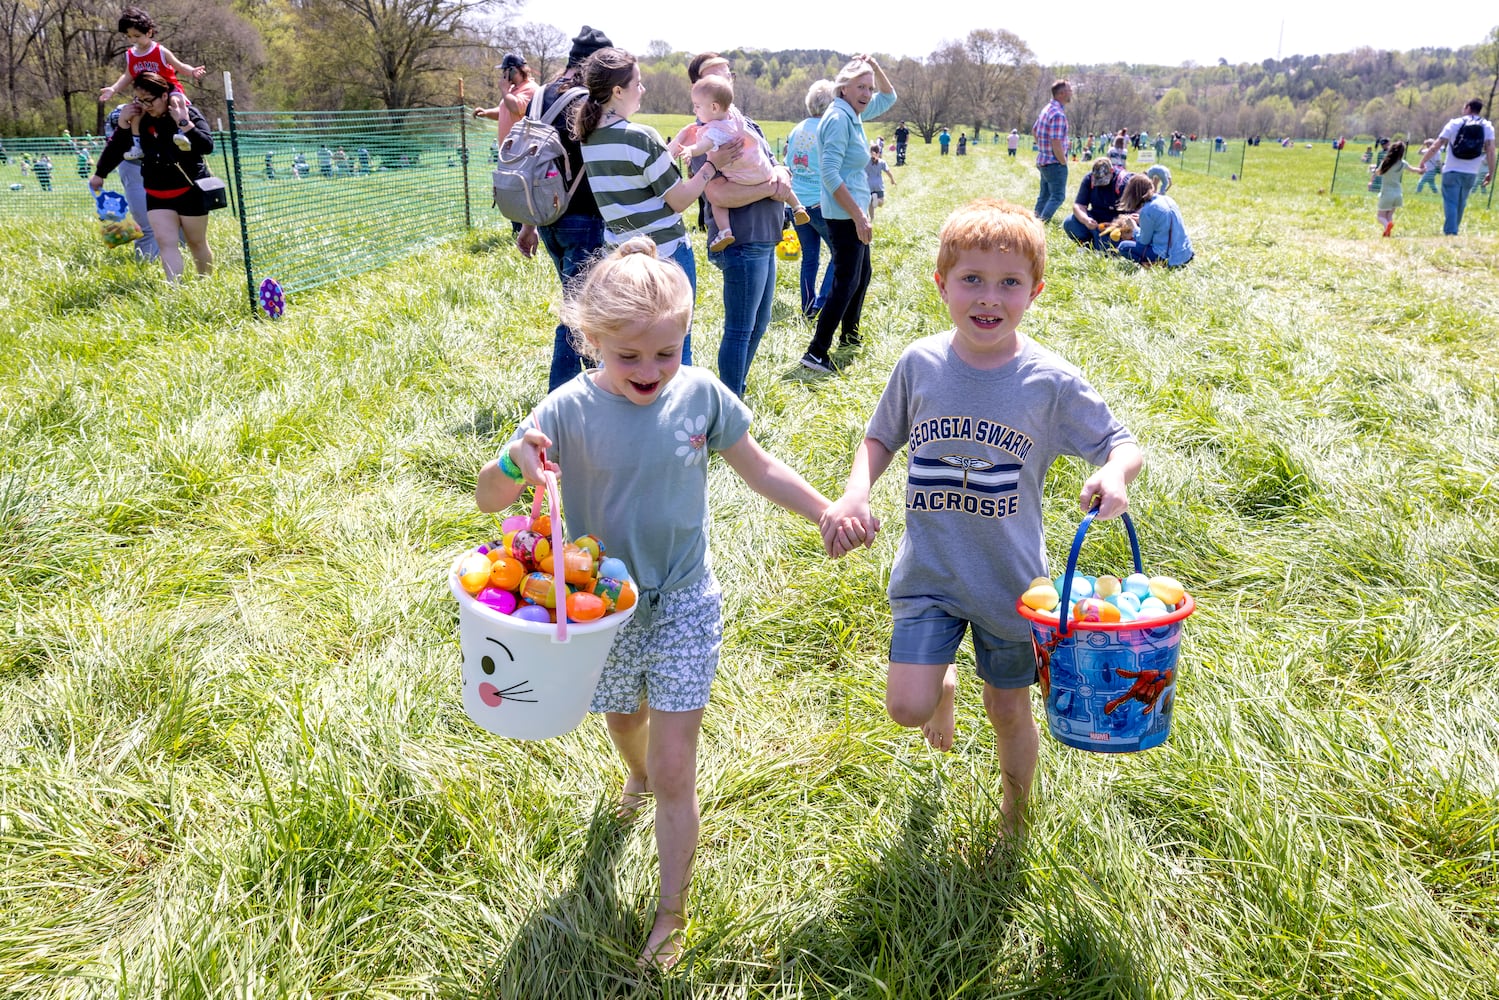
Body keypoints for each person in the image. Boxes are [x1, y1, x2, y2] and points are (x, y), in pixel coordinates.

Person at [476, 237, 853, 968]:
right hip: (600, 612)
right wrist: (512, 461)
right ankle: (636, 771)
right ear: (589, 341)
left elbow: (760, 467)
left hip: (683, 601)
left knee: (678, 767)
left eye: (666, 352)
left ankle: (670, 912)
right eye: (629, 357)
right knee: (624, 719)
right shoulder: (564, 409)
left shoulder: (701, 394)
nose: (650, 371)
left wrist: (825, 511)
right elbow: (490, 494)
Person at [820, 198, 1141, 836]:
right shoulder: (920, 363)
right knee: (906, 706)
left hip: (1012, 585)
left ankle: (1014, 820)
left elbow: (1121, 442)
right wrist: (856, 492)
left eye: (1008, 283)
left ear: (1035, 291)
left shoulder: (1049, 380)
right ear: (942, 283)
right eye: (971, 279)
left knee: (1008, 708)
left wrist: (1113, 473)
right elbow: (881, 436)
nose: (988, 297)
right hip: (931, 573)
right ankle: (941, 689)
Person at [571, 46, 725, 368]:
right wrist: (712, 164)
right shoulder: (641, 136)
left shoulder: (590, 136)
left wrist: (669, 149)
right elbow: (680, 199)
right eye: (637, 83)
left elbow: (634, 178)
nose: (642, 89)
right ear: (617, 90)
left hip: (621, 256)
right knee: (676, 346)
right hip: (664, 255)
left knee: (632, 344)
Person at [684, 52, 792, 399]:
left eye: (726, 72)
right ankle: (728, 409)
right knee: (740, 330)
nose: (723, 78)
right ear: (698, 88)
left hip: (765, 235)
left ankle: (734, 395)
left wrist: (782, 174)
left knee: (759, 325)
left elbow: (776, 164)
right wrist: (769, 187)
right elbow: (717, 193)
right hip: (741, 240)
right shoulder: (706, 135)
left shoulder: (743, 124)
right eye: (712, 74)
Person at [517, 25, 614, 393]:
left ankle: (593, 383)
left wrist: (528, 226)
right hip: (584, 216)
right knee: (576, 313)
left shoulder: (541, 94)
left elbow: (532, 161)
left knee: (582, 305)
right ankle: (559, 400)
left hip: (546, 217)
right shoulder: (590, 100)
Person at [798, 55, 897, 374]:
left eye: (869, 87)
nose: (868, 93)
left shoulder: (853, 113)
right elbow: (828, 172)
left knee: (861, 275)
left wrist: (874, 65)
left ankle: (849, 335)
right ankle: (816, 351)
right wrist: (859, 215)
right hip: (843, 214)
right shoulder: (838, 118)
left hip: (852, 209)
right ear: (843, 88)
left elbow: (890, 96)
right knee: (845, 280)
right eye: (860, 86)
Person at [90, 70, 214, 281]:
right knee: (165, 242)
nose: (146, 105)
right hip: (157, 192)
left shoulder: (186, 111)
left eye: (150, 100)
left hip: (189, 189)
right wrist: (100, 173)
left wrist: (184, 123)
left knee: (196, 242)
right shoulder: (140, 119)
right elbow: (118, 146)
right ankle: (174, 292)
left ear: (164, 95)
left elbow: (207, 145)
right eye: (140, 100)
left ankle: (206, 283)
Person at [668, 75, 808, 252]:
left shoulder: (715, 129)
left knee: (718, 203)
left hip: (742, 176)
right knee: (774, 178)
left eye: (697, 106)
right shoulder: (735, 117)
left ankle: (725, 231)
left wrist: (690, 150)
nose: (694, 110)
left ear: (714, 107)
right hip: (761, 167)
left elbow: (705, 145)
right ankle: (797, 207)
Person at [98, 6, 204, 158]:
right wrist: (113, 89)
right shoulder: (131, 55)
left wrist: (192, 71)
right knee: (135, 114)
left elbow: (179, 66)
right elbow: (127, 76)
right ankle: (137, 146)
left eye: (137, 36)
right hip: (146, 95)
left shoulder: (160, 51)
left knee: (176, 102)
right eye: (129, 36)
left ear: (149, 32)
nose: (133, 40)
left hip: (168, 89)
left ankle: (183, 134)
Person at [785, 80, 838, 318]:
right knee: (840, 253)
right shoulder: (828, 129)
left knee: (809, 258)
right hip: (820, 203)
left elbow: (788, 165)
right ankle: (822, 302)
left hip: (797, 203)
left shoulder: (797, 129)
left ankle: (807, 306)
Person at [105, 102, 180, 261]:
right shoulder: (117, 115)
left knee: (180, 217)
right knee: (146, 224)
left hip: (163, 165)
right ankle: (147, 264)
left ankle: (186, 259)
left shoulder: (158, 112)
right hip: (132, 168)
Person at [1417, 98, 1496, 236]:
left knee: (1451, 202)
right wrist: (1491, 172)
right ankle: (1454, 230)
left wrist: (1423, 161)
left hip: (1452, 169)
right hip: (1472, 172)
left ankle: (1451, 232)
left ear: (1468, 108)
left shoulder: (1455, 123)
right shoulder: (1487, 126)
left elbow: (1437, 145)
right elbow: (1490, 150)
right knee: (1461, 202)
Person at [1114, 173, 1194, 267]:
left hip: (1169, 257)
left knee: (1123, 247)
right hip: (1186, 253)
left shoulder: (1147, 211)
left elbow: (1144, 241)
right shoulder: (1167, 199)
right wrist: (1141, 220)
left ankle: (1154, 264)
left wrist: (1134, 227)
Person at [1062, 158, 1132, 250]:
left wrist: (1115, 225)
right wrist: (1086, 220)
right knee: (1070, 222)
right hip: (1096, 220)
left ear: (1111, 171)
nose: (1101, 185)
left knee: (1106, 244)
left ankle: (1103, 246)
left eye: (1104, 181)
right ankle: (1087, 244)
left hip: (1117, 224)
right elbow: (1078, 206)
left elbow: (1132, 215)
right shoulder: (1089, 179)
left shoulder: (1123, 182)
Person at [1031, 79, 1072, 223]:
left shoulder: (1046, 109)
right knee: (1057, 196)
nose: (1071, 93)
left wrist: (1043, 149)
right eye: (1069, 90)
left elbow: (1035, 131)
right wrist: (1063, 161)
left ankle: (1033, 222)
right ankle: (1041, 224)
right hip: (1054, 163)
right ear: (1061, 94)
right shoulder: (1058, 114)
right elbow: (1056, 142)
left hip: (1043, 160)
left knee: (1044, 196)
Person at [1371, 140, 1421, 237]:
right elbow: (1414, 169)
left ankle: (1387, 226)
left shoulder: (1386, 162)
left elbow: (1378, 172)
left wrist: (1373, 170)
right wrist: (1422, 170)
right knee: (1389, 215)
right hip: (1398, 194)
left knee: (1380, 216)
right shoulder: (1403, 163)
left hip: (1386, 194)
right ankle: (1387, 233)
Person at [864, 142, 895, 218]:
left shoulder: (866, 162)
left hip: (868, 185)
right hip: (878, 185)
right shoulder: (882, 162)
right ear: (879, 152)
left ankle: (872, 218)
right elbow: (888, 171)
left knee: (870, 204)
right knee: (881, 202)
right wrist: (892, 180)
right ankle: (877, 201)